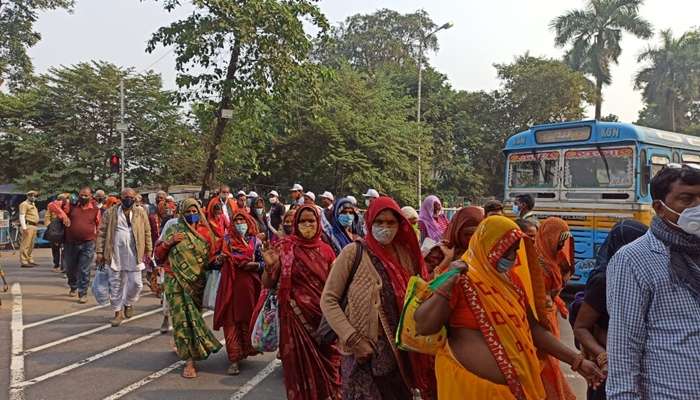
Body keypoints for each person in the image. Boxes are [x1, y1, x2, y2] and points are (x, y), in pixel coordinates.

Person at [413, 215, 604, 399]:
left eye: (515, 250)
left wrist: (577, 361)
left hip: (515, 389)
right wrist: (447, 283)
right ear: (487, 245)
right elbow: (423, 326)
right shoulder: (460, 279)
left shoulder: (512, 282)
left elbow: (534, 330)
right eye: (506, 250)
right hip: (468, 388)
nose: (512, 257)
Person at [321, 196, 436, 399]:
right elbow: (328, 300)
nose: (385, 227)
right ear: (369, 223)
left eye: (390, 223)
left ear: (399, 225)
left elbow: (419, 294)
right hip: (363, 355)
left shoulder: (405, 255)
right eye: (379, 222)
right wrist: (353, 339)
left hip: (399, 354)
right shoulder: (353, 253)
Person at [607, 165, 700, 399]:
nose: (698, 207)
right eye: (687, 199)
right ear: (659, 207)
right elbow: (624, 346)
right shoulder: (633, 259)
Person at [261, 205, 341, 399]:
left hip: (322, 320)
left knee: (331, 368)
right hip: (294, 318)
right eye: (303, 221)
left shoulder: (327, 251)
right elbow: (267, 284)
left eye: (311, 221)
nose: (307, 225)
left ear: (318, 223)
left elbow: (335, 288)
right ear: (296, 224)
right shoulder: (285, 247)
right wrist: (270, 268)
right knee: (298, 371)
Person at [574, 220, 647, 400]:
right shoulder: (605, 279)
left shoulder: (645, 276)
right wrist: (604, 356)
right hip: (611, 369)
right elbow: (581, 328)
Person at [154, 198, 222, 378]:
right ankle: (189, 362)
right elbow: (158, 255)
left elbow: (213, 256)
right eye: (188, 212)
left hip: (197, 283)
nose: (191, 215)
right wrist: (169, 243)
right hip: (175, 280)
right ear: (181, 214)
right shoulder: (173, 229)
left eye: (194, 212)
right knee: (181, 320)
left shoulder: (207, 232)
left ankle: (193, 350)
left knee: (194, 319)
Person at [214, 211, 265, 375]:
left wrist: (255, 266)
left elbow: (263, 263)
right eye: (236, 220)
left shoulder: (255, 242)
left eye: (242, 220)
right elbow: (213, 262)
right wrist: (220, 259)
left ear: (248, 222)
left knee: (247, 320)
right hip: (230, 287)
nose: (240, 223)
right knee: (230, 323)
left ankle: (245, 350)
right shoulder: (226, 241)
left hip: (249, 288)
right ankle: (234, 359)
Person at [95, 188, 152, 326]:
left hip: (134, 254)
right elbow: (102, 232)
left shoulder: (140, 212)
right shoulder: (110, 212)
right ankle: (117, 313)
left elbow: (147, 231)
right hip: (115, 254)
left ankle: (128, 302)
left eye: (131, 197)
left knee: (137, 284)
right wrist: (99, 252)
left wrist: (149, 250)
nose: (128, 199)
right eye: (126, 197)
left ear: (134, 198)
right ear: (120, 198)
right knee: (115, 284)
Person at [534, 217, 577, 400]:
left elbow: (561, 281)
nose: (562, 243)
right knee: (545, 362)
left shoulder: (556, 257)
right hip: (539, 320)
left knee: (552, 361)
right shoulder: (536, 263)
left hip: (551, 317)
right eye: (559, 238)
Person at [49, 187, 101, 303]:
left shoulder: (95, 209)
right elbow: (52, 205)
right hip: (70, 243)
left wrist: (98, 246)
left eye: (86, 196)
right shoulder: (70, 205)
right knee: (70, 268)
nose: (83, 197)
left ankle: (82, 293)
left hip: (88, 243)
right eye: (81, 195)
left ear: (91, 196)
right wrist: (64, 215)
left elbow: (99, 227)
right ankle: (73, 285)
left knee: (84, 269)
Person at [45, 193, 69, 272]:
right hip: (55, 229)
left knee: (62, 249)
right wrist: (50, 227)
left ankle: (62, 266)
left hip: (63, 229)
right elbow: (47, 217)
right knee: (57, 248)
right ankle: (57, 265)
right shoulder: (52, 206)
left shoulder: (67, 206)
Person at [18, 190, 40, 268]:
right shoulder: (24, 204)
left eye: (35, 196)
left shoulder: (33, 204)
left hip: (33, 226)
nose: (33, 197)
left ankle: (30, 260)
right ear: (27, 196)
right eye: (31, 195)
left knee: (31, 244)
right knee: (25, 244)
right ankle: (24, 261)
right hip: (28, 225)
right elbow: (22, 215)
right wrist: (24, 227)